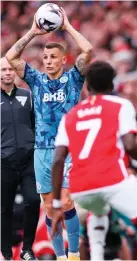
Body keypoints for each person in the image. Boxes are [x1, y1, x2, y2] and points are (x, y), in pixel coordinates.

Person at [51, 61, 137, 261]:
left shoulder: (70, 116)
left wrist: (58, 203)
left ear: (87, 86)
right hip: (112, 178)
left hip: (80, 187)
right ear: (112, 85)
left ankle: (96, 257)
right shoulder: (120, 105)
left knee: (98, 210)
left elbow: (58, 160)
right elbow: (130, 144)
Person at [5, 7, 93, 261]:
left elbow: (87, 50)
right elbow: (11, 57)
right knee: (49, 207)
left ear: (63, 59)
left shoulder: (74, 79)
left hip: (67, 149)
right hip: (41, 150)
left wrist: (67, 27)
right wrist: (33, 32)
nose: (48, 61)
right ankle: (61, 257)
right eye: (45, 57)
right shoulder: (36, 80)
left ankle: (74, 254)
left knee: (65, 202)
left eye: (53, 57)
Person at [1, 57, 41, 260]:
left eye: (10, 69)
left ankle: (27, 249)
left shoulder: (27, 96)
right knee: (4, 208)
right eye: (3, 69)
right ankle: (6, 254)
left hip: (28, 160)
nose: (7, 72)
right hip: (4, 162)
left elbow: (36, 124)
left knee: (33, 201)